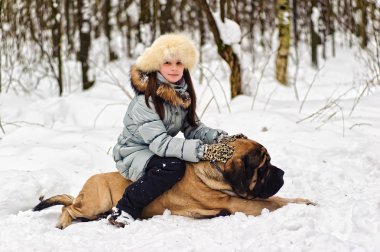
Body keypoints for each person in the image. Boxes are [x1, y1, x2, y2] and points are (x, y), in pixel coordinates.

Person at [108, 33, 234, 227]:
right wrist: (202, 150)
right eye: (167, 63)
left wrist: (220, 139)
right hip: (132, 152)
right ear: (157, 65)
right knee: (174, 166)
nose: (174, 68)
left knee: (186, 159)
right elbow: (160, 143)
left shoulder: (180, 95)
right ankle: (126, 208)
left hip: (153, 149)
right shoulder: (146, 101)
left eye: (179, 63)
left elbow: (193, 128)